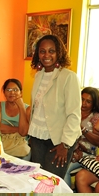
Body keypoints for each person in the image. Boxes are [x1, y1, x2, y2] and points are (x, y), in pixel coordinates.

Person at [28, 34, 82, 178]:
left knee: (51, 181)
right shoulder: (38, 75)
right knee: (37, 178)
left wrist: (65, 145)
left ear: (59, 53)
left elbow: (74, 114)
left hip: (59, 140)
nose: (46, 55)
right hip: (38, 136)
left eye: (51, 51)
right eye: (42, 51)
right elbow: (36, 108)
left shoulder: (68, 77)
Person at [63, 87, 99, 187]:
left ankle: (67, 193)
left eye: (88, 101)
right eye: (82, 99)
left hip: (88, 154)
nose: (83, 103)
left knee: (64, 169)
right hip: (69, 149)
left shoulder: (97, 117)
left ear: (94, 104)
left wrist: (82, 129)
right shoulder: (72, 113)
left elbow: (98, 142)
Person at [0, 78, 31, 160]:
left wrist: (21, 107)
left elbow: (23, 133)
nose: (12, 93)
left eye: (15, 90)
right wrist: (18, 129)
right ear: (4, 92)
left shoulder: (28, 109)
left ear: (21, 93)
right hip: (0, 144)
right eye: (8, 90)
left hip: (19, 146)